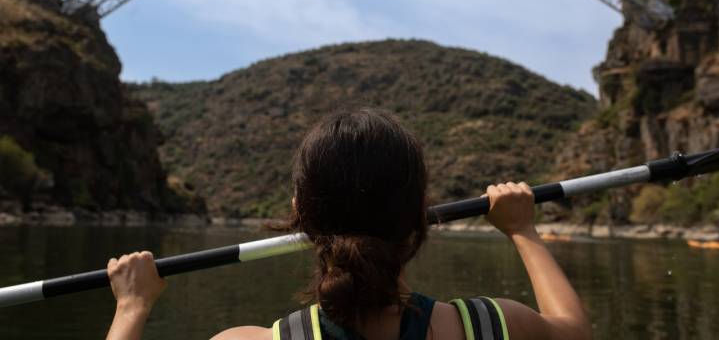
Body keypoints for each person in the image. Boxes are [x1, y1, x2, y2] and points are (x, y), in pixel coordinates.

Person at [106, 107, 592, 340]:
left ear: (300, 212)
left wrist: (131, 307)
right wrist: (523, 231)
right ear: (420, 212)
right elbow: (572, 331)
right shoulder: (491, 325)